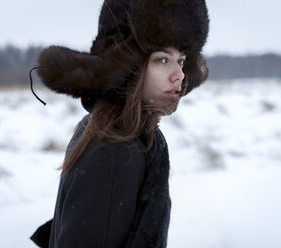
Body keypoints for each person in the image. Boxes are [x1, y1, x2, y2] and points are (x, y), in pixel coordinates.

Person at [30, 0, 209, 247]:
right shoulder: (115, 148)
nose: (179, 74)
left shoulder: (119, 130)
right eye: (162, 60)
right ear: (127, 66)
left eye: (181, 60)